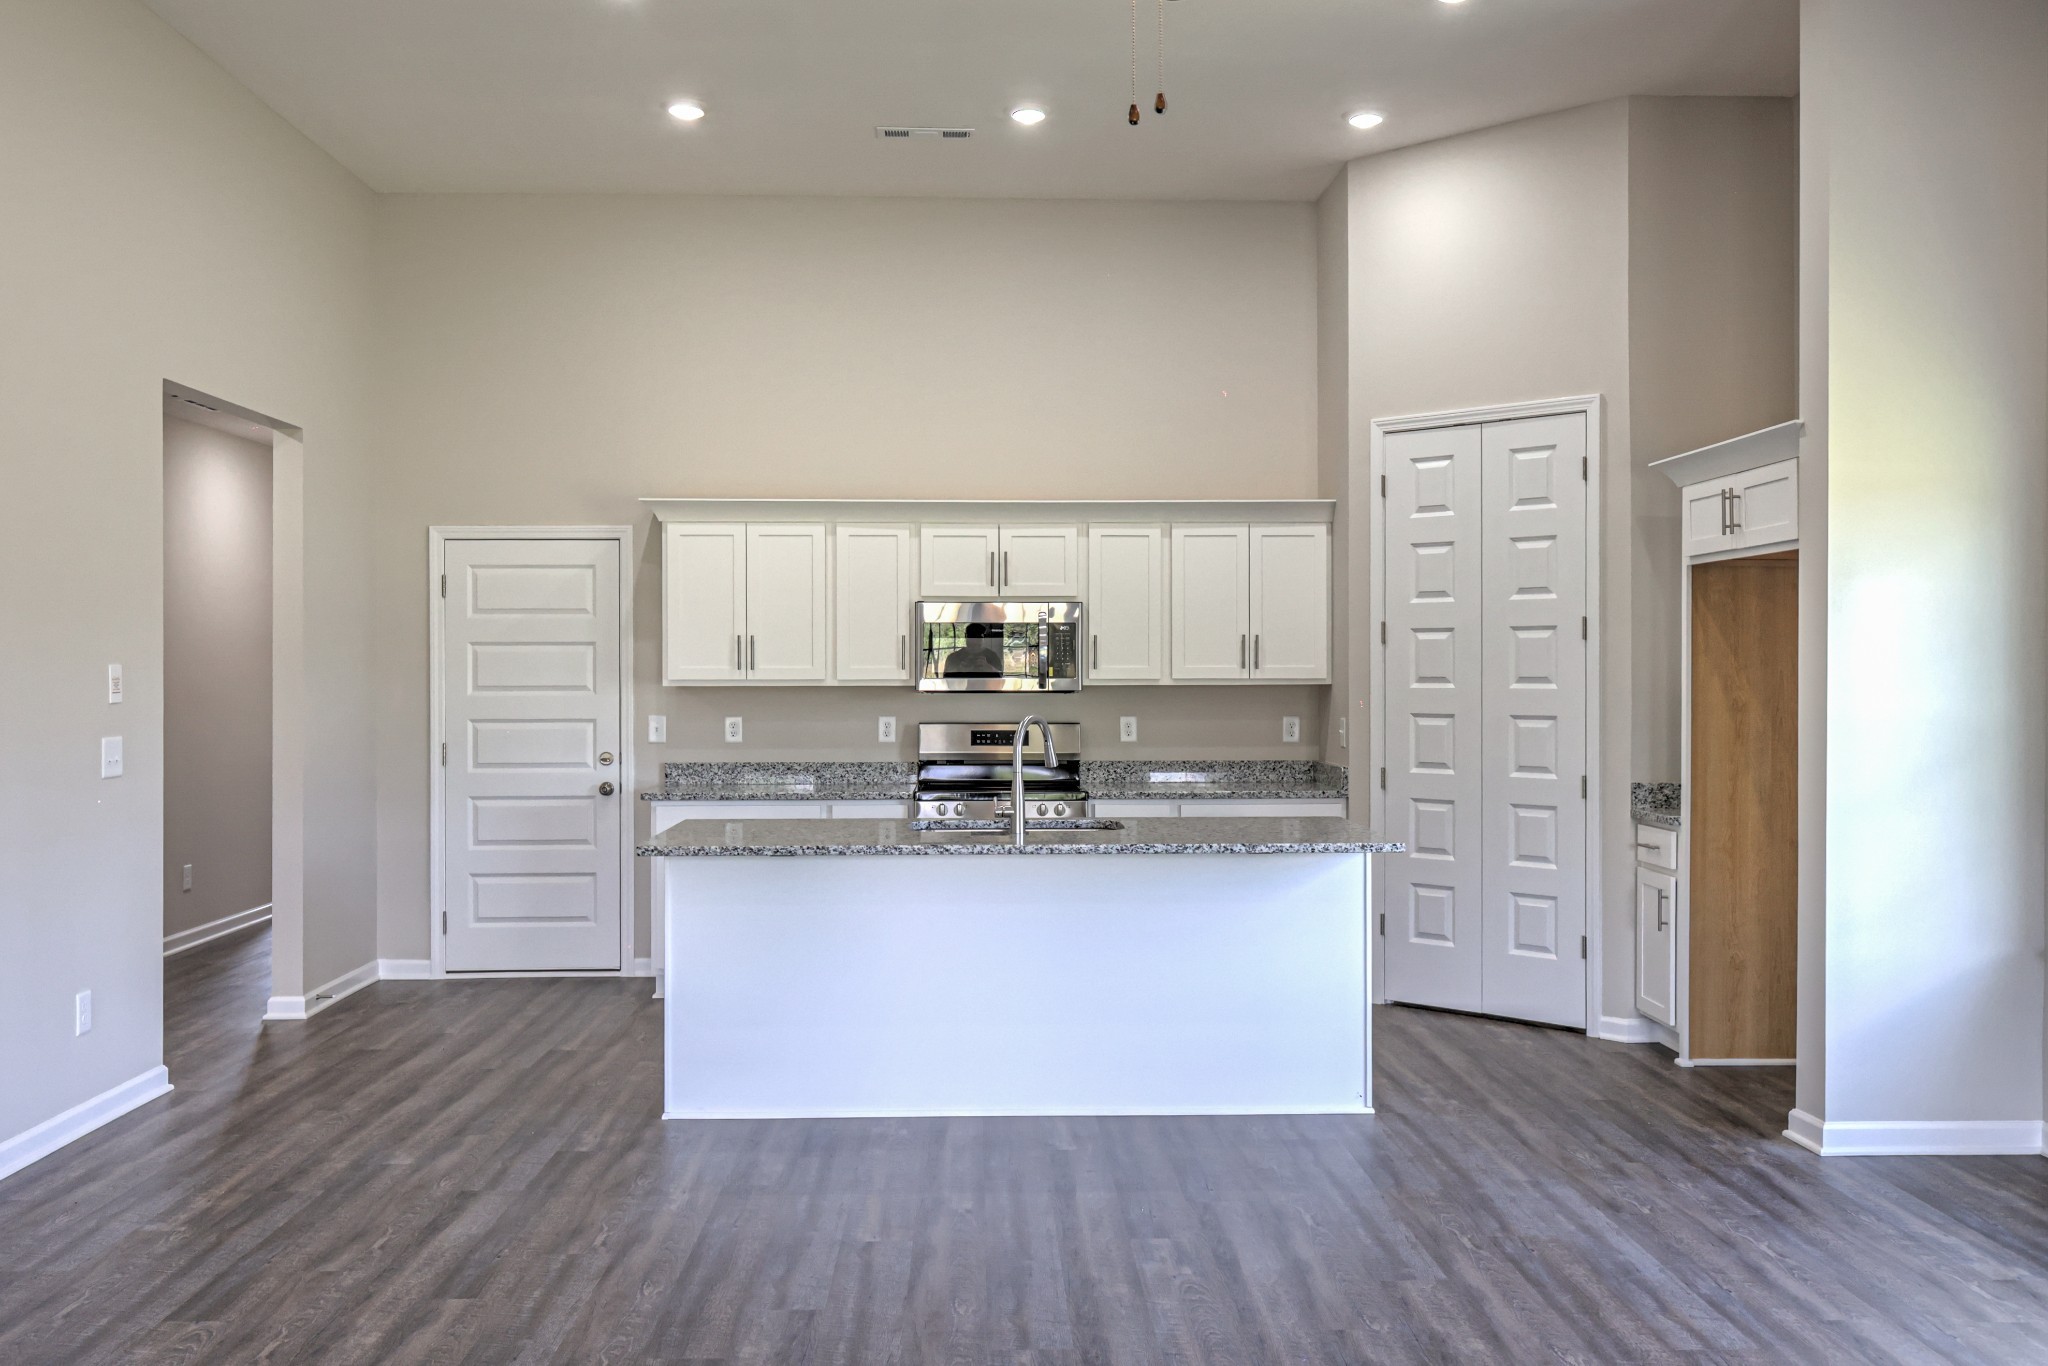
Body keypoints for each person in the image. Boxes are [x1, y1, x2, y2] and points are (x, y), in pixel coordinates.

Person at [942, 621, 1008, 678]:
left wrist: (988, 668)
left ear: (983, 638)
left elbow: (1001, 679)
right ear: (966, 637)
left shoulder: (992, 656)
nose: (974, 640)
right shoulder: (953, 657)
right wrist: (959, 670)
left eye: (978, 637)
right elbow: (946, 681)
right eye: (971, 636)